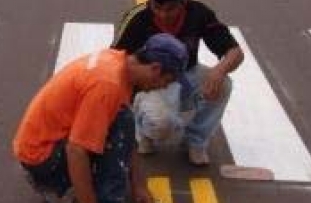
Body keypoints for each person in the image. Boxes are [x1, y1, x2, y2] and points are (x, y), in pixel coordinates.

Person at [14, 34, 190, 203]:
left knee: (123, 120)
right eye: (167, 80)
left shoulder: (118, 61)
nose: (165, 86)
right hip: (43, 159)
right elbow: (76, 151)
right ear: (155, 68)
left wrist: (139, 185)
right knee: (119, 126)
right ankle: (70, 190)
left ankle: (82, 188)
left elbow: (127, 136)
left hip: (46, 145)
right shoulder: (108, 86)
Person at [112, 0, 244, 166]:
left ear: (184, 1)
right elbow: (115, 60)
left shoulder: (200, 13)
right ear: (149, 2)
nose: (164, 14)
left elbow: (235, 52)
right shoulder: (136, 18)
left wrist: (219, 70)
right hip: (151, 81)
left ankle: (195, 141)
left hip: (186, 73)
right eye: (157, 7)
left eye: (171, 8)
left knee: (224, 84)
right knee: (161, 125)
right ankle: (143, 131)